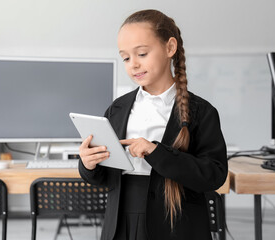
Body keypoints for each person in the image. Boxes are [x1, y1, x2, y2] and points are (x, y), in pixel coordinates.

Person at [78, 9, 228, 240]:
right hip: (121, 223)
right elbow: (104, 178)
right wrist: (88, 164)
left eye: (142, 54)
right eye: (126, 58)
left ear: (170, 48)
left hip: (176, 225)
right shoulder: (117, 109)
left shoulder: (201, 112)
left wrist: (156, 152)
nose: (133, 64)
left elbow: (214, 176)